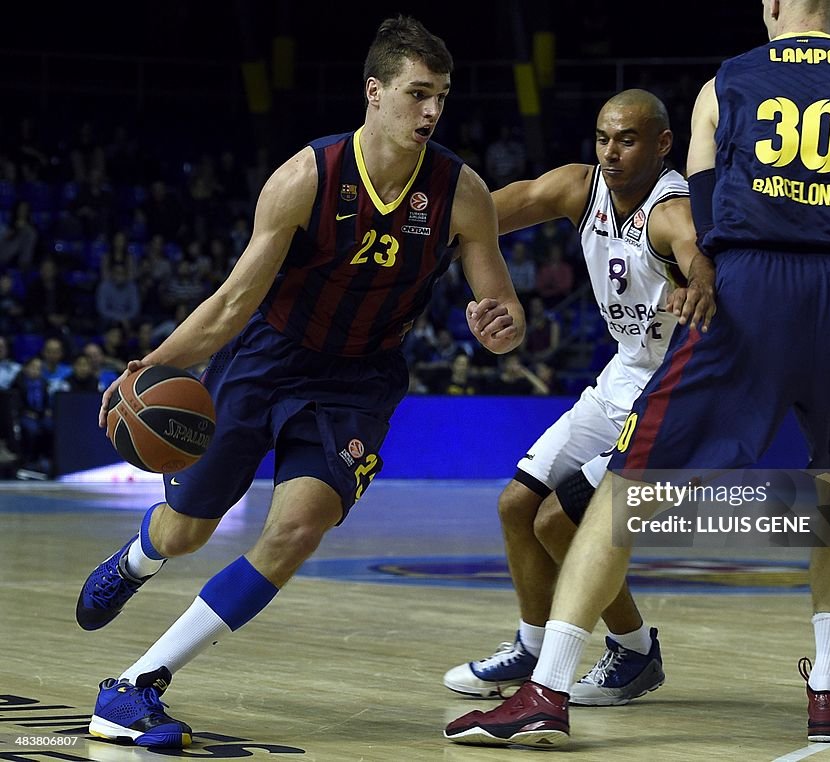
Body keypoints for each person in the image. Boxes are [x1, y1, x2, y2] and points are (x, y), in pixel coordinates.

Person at [445, 0, 830, 748]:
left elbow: (707, 209)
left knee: (622, 494)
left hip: (754, 290)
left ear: (771, 6)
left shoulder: (727, 82)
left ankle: (546, 690)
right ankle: (829, 696)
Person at [74, 16, 523, 749]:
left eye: (440, 96)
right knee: (186, 532)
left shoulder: (459, 191)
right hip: (266, 359)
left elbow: (503, 305)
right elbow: (228, 305)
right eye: (417, 94)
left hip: (360, 380)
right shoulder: (305, 178)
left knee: (297, 528)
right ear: (374, 94)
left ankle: (135, 685)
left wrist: (504, 326)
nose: (432, 112)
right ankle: (137, 557)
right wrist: (152, 366)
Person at [443, 88, 714, 709]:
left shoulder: (670, 209)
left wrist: (699, 276)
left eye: (628, 139)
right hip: (622, 375)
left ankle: (635, 649)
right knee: (517, 505)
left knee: (559, 521)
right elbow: (481, 214)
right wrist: (424, 241)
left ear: (662, 144)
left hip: (673, 396)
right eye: (603, 138)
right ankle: (533, 643)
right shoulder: (580, 188)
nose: (611, 152)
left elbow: (697, 249)